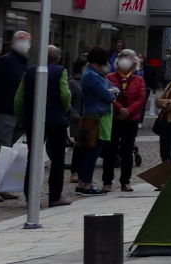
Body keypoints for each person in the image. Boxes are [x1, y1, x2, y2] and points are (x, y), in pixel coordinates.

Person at [15, 45, 72, 207]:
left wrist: (22, 118)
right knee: (58, 159)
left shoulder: (30, 71)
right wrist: (65, 110)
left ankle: (30, 198)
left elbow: (19, 98)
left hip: (34, 120)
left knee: (33, 158)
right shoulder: (61, 71)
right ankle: (55, 197)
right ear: (58, 58)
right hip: (56, 121)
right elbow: (65, 94)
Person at [0, 31, 31, 202]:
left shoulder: (24, 62)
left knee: (10, 151)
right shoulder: (6, 61)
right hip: (6, 111)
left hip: (19, 113)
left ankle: (3, 186)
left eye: (27, 40)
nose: (25, 43)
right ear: (14, 42)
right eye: (22, 40)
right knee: (3, 149)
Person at [102, 49, 146, 192]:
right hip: (115, 118)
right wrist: (120, 109)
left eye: (128, 58)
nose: (124, 61)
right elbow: (108, 95)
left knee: (128, 151)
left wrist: (129, 111)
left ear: (134, 63)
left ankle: (125, 181)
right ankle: (107, 181)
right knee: (110, 150)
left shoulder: (138, 80)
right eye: (122, 58)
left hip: (131, 119)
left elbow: (140, 99)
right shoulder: (109, 77)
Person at [77, 47, 117, 196]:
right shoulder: (91, 76)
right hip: (95, 116)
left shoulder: (97, 75)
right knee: (92, 150)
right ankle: (85, 184)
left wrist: (111, 92)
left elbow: (112, 89)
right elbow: (109, 95)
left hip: (97, 115)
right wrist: (112, 94)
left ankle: (85, 182)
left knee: (92, 150)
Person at [68, 58, 87, 183]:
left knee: (87, 146)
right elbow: (67, 103)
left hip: (90, 117)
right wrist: (76, 116)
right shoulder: (73, 83)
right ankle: (75, 172)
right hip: (78, 119)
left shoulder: (89, 80)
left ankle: (83, 172)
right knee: (79, 145)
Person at [137, 54, 158, 128]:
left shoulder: (148, 67)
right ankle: (135, 120)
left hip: (145, 88)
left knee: (142, 105)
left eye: (141, 57)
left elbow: (153, 78)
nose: (140, 59)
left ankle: (140, 121)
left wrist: (154, 87)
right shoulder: (134, 67)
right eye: (138, 57)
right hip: (135, 88)